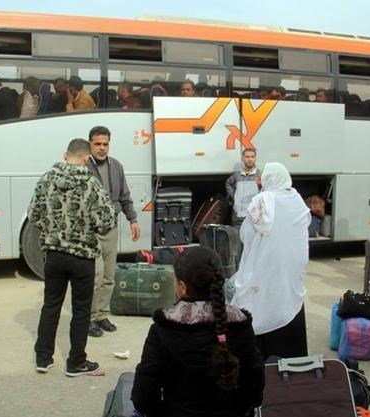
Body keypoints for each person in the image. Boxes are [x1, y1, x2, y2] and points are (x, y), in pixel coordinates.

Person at [131, 246, 265, 417]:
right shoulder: (240, 324)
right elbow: (255, 383)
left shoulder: (163, 328)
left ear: (182, 287)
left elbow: (143, 394)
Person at [28, 138, 115, 376]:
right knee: (81, 310)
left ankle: (43, 358)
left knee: (50, 305)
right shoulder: (92, 184)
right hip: (82, 257)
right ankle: (76, 362)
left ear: (65, 155)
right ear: (87, 158)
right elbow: (106, 221)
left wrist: (52, 230)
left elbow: (33, 215)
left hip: (54, 254)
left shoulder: (46, 180)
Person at [231, 163, 310, 360]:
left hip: (265, 269)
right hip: (291, 274)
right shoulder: (297, 200)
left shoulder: (263, 199)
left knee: (263, 306)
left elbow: (246, 234)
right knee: (288, 306)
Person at [87, 126, 140, 337]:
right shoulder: (83, 167)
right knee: (95, 275)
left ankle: (102, 315)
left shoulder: (116, 166)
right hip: (90, 231)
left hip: (111, 228)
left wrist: (133, 220)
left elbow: (125, 196)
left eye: (105, 144)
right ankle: (89, 317)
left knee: (109, 275)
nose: (101, 148)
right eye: (97, 144)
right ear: (90, 144)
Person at [225, 148, 261, 227]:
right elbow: (228, 183)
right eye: (247, 157)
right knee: (238, 234)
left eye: (252, 156)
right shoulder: (237, 174)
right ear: (243, 158)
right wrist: (234, 196)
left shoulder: (260, 175)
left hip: (254, 217)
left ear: (255, 158)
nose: (250, 159)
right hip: (238, 216)